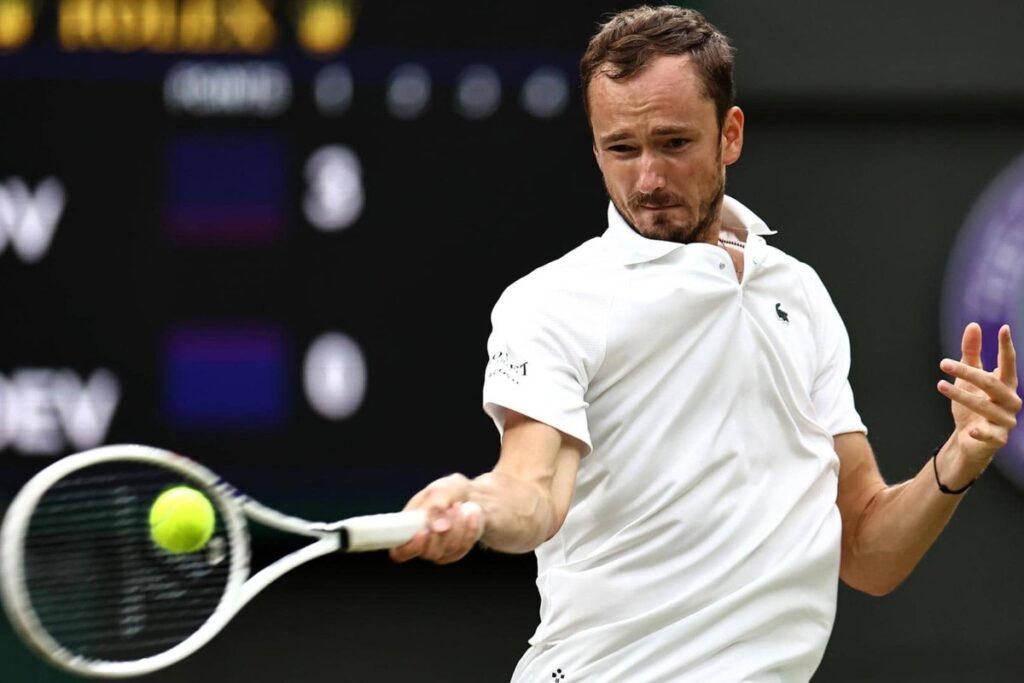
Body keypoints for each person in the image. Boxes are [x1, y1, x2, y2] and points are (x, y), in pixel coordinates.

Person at [390, 6, 1022, 681]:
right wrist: (478, 506)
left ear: (731, 134)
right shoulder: (551, 304)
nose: (648, 179)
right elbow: (533, 490)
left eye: (673, 143)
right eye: (621, 149)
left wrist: (958, 459)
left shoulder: (798, 295)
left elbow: (869, 551)